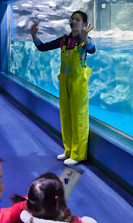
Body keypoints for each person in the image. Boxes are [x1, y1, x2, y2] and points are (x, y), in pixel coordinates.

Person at [30, 11, 96, 166]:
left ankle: (78, 154)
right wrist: (34, 35)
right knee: (65, 115)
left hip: (78, 83)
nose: (73, 21)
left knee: (78, 117)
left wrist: (85, 37)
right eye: (72, 19)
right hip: (65, 81)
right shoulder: (64, 40)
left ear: (84, 24)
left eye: (77, 20)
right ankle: (68, 150)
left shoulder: (84, 41)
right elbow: (43, 47)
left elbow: (92, 49)